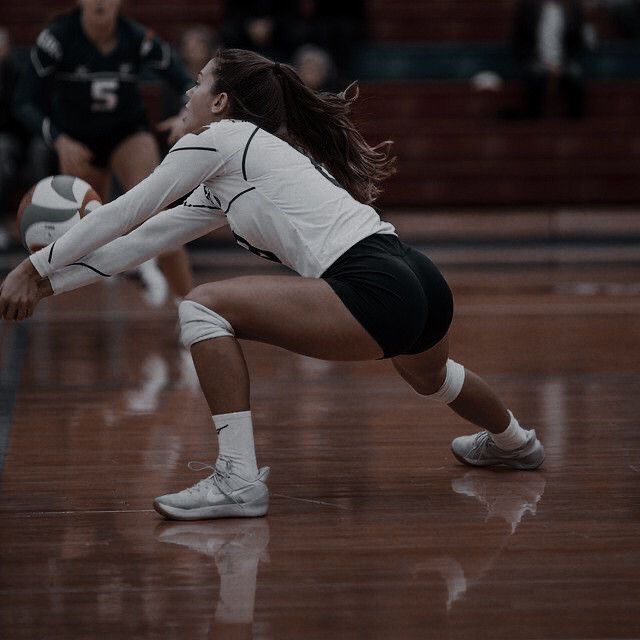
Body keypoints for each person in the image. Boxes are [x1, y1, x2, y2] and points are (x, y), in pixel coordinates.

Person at [0, 49, 545, 521]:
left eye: (199, 82)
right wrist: (48, 286)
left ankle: (236, 480)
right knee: (434, 377)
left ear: (220, 102)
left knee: (202, 307)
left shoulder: (222, 138)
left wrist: (33, 268)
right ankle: (515, 443)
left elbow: (122, 211)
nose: (188, 92)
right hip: (417, 276)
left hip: (374, 284)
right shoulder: (232, 172)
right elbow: (137, 244)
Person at [12, 0, 195, 303]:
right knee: (90, 238)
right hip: (76, 142)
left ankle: (190, 309)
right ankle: (134, 266)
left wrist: (185, 113)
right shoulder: (56, 38)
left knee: (159, 221)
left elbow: (186, 83)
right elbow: (23, 102)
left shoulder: (137, 37)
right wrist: (58, 139)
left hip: (128, 134)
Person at [512, 0, 588, 118]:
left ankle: (574, 121)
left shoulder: (573, 9)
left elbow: (578, 43)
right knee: (534, 76)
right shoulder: (529, 8)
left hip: (564, 61)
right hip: (536, 60)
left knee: (576, 76)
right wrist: (543, 62)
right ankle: (532, 120)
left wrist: (561, 63)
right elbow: (519, 41)